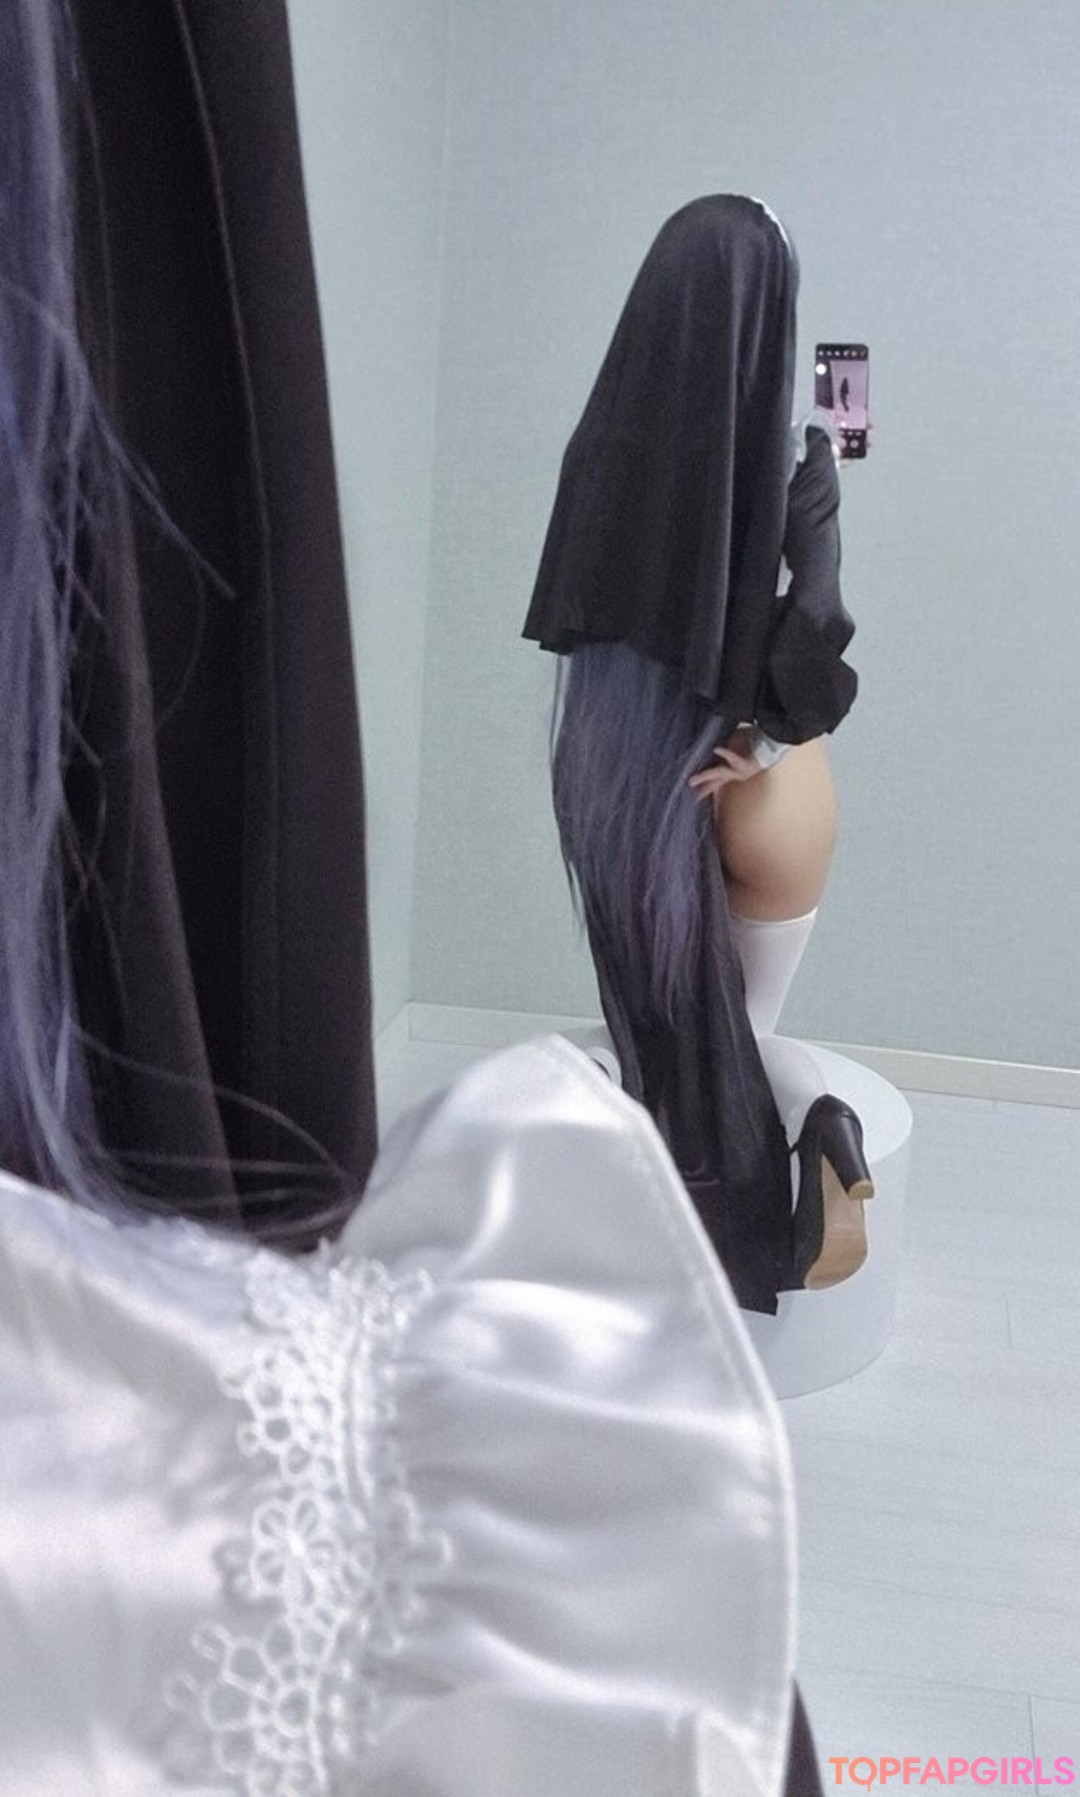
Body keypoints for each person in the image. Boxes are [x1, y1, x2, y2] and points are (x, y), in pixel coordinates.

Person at [0, 17, 826, 1793]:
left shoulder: (627, 482)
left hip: (632, 761)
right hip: (716, 787)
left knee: (697, 1016)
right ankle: (763, 1183)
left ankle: (749, 1166)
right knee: (746, 1038)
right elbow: (813, 664)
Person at [523, 195, 872, 1313]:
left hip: (628, 772)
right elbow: (818, 614)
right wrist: (763, 740)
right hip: (759, 778)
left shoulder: (603, 447)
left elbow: (577, 613)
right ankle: (825, 1128)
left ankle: (597, 1128)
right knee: (748, 1032)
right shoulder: (801, 457)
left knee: (661, 1031)